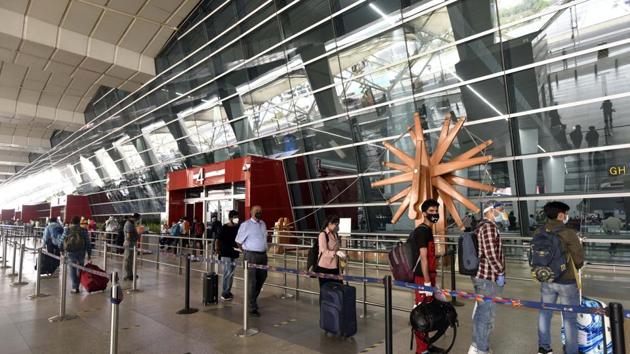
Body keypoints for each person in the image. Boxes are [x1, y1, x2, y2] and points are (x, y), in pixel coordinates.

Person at [537, 201, 584, 354]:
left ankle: (544, 348)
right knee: (569, 318)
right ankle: (571, 351)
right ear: (561, 215)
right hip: (567, 281)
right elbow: (579, 260)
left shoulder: (539, 231)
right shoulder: (568, 233)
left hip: (546, 279)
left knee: (545, 314)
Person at [468, 201, 505, 354]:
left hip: (480, 275)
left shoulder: (480, 226)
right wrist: (500, 272)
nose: (502, 212)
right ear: (490, 211)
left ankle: (477, 345)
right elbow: (490, 253)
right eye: (500, 210)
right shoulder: (489, 227)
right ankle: (481, 349)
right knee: (486, 315)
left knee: (480, 312)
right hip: (486, 277)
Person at [407, 199, 440, 354]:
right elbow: (423, 257)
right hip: (422, 278)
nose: (434, 214)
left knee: (427, 312)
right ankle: (421, 350)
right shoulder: (422, 231)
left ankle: (426, 345)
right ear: (424, 213)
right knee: (421, 313)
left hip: (428, 277)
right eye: (431, 211)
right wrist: (427, 282)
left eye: (436, 211)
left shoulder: (427, 230)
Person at [235, 205, 268, 317]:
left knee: (262, 278)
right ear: (251, 212)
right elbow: (238, 241)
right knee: (252, 282)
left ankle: (252, 299)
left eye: (260, 211)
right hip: (251, 256)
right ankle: (252, 306)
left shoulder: (263, 224)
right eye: (256, 211)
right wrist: (245, 253)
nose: (259, 212)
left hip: (263, 256)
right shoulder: (246, 225)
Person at [60, 216, 91, 294]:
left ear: (71, 222)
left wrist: (61, 250)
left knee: (72, 269)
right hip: (81, 252)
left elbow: (62, 240)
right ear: (78, 222)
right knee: (80, 268)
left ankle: (75, 287)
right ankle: (78, 283)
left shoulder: (67, 229)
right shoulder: (83, 230)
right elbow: (88, 243)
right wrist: (89, 254)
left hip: (70, 252)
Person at [216, 210, 240, 301]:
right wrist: (217, 250)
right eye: (235, 217)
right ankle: (225, 292)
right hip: (225, 252)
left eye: (237, 217)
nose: (237, 219)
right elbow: (217, 240)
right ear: (230, 218)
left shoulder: (237, 228)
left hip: (235, 253)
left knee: (231, 273)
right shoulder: (224, 228)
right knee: (228, 272)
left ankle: (228, 291)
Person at [316, 214, 347, 288]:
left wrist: (341, 254)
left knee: (339, 287)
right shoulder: (323, 235)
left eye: (338, 224)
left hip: (334, 266)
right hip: (324, 267)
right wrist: (335, 253)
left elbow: (336, 248)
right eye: (336, 224)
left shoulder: (335, 234)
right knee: (325, 289)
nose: (337, 227)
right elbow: (324, 251)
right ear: (329, 224)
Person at [123, 213, 141, 281]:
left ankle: (130, 274)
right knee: (128, 260)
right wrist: (137, 235)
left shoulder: (131, 223)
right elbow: (128, 236)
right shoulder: (129, 224)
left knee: (130, 260)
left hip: (131, 243)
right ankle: (128, 275)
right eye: (138, 219)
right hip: (129, 243)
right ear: (135, 218)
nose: (138, 220)